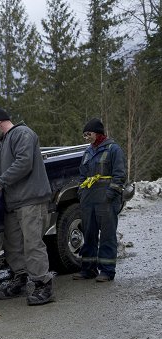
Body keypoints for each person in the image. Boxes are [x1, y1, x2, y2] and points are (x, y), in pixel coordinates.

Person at [0, 105, 54, 306]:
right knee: (13, 245)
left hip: (31, 200)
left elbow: (24, 163)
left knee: (33, 244)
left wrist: (1, 181)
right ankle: (21, 279)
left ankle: (44, 285)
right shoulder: (1, 143)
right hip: (13, 203)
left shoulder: (22, 134)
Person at [73, 118, 126, 282]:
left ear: (98, 133)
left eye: (88, 134)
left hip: (106, 199)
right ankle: (88, 269)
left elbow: (120, 175)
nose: (86, 137)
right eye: (84, 135)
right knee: (89, 234)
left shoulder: (113, 149)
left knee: (107, 236)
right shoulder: (88, 152)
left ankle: (107, 271)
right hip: (89, 198)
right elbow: (83, 174)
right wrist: (82, 192)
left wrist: (110, 195)